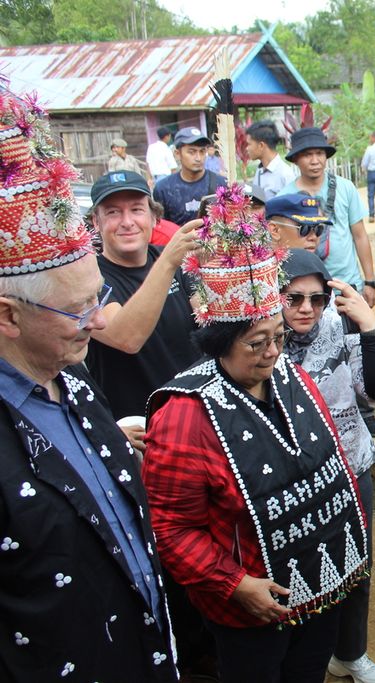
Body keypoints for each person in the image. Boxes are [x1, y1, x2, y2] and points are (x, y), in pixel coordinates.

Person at [143, 184, 369, 682]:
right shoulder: (184, 414)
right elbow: (172, 528)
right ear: (221, 343)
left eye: (279, 337)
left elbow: (328, 458)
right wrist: (233, 585)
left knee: (308, 671)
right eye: (257, 343)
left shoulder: (289, 374)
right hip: (250, 604)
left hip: (321, 581)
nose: (272, 353)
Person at [0, 86, 175, 681]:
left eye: (94, 302)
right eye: (77, 311)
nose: (92, 320)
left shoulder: (71, 384)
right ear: (7, 316)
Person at [277, 249, 375, 683]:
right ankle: (297, 659)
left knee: (355, 566)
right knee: (295, 568)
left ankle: (350, 653)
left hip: (349, 465)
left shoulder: (342, 324)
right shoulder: (260, 334)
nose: (306, 308)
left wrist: (368, 325)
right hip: (286, 479)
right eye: (293, 298)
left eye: (316, 298)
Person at [84, 171, 200, 422]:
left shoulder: (173, 260)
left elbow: (208, 318)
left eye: (136, 209)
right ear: (96, 222)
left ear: (153, 216)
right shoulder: (87, 276)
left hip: (195, 415)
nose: (127, 222)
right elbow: (126, 338)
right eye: (113, 212)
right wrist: (169, 262)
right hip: (137, 427)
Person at [280, 127, 375, 308]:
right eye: (308, 155)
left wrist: (370, 281)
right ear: (295, 159)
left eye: (319, 153)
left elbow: (360, 235)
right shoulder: (284, 198)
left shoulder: (345, 188)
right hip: (306, 291)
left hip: (347, 286)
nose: (315, 160)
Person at [153, 127, 227, 227]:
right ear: (177, 154)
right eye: (192, 152)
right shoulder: (163, 189)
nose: (198, 158)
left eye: (202, 151)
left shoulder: (221, 184)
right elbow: (161, 228)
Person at [265, 192, 331, 253]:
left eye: (318, 229)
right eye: (305, 229)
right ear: (275, 230)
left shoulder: (315, 264)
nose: (313, 237)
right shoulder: (259, 264)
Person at [246, 120, 296, 200]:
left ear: (261, 145)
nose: (247, 148)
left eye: (249, 144)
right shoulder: (260, 171)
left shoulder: (285, 175)